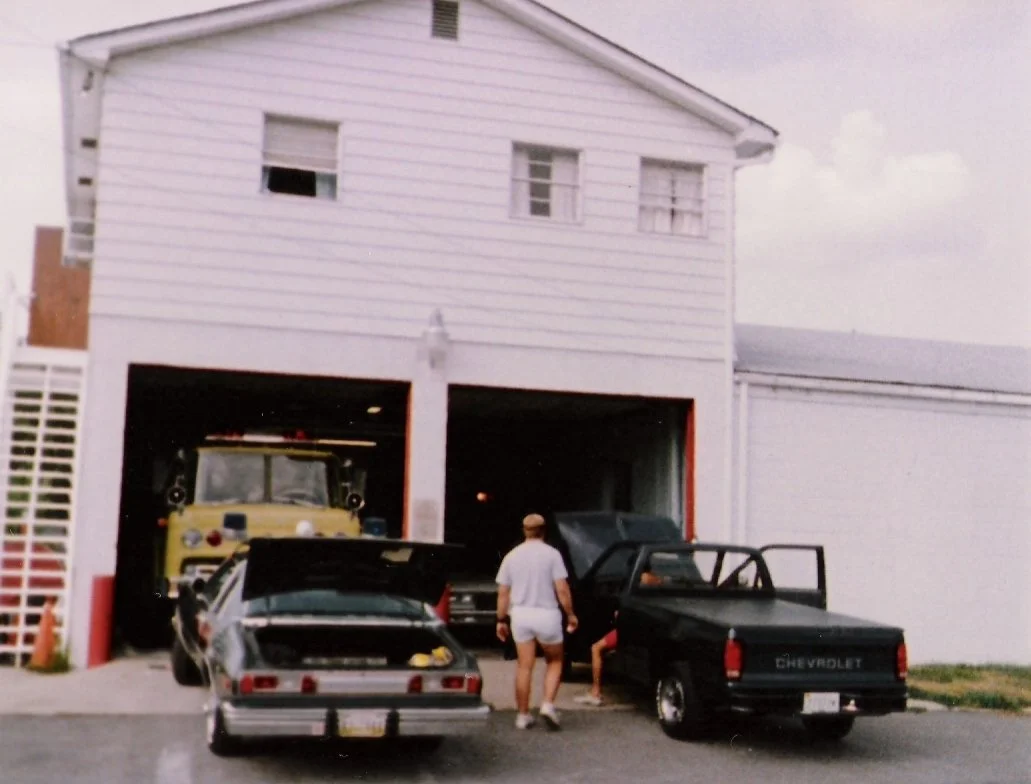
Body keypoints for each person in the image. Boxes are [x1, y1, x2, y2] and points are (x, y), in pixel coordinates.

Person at [495, 512, 578, 730]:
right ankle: (548, 705)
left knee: (524, 666)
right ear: (543, 531)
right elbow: (561, 588)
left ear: (524, 530)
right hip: (547, 614)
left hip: (520, 615)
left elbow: (503, 593)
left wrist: (501, 620)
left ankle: (522, 716)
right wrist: (570, 614)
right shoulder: (552, 554)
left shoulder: (511, 556)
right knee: (555, 661)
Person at [573, 565, 667, 707]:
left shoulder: (636, 581)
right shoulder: (659, 581)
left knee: (596, 648)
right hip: (650, 628)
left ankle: (596, 692)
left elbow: (626, 607)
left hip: (631, 628)